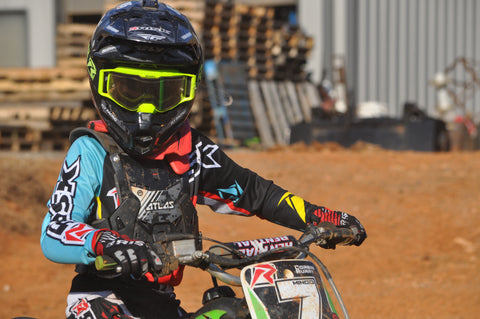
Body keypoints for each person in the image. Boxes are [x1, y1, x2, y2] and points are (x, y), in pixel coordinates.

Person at [40, 1, 366, 318]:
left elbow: (258, 194)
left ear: (190, 90)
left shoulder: (193, 150)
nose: (146, 110)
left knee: (230, 312)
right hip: (103, 303)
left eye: (163, 94)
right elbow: (54, 230)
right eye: (130, 90)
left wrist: (319, 215)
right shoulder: (92, 150)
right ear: (99, 80)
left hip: (162, 304)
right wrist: (105, 242)